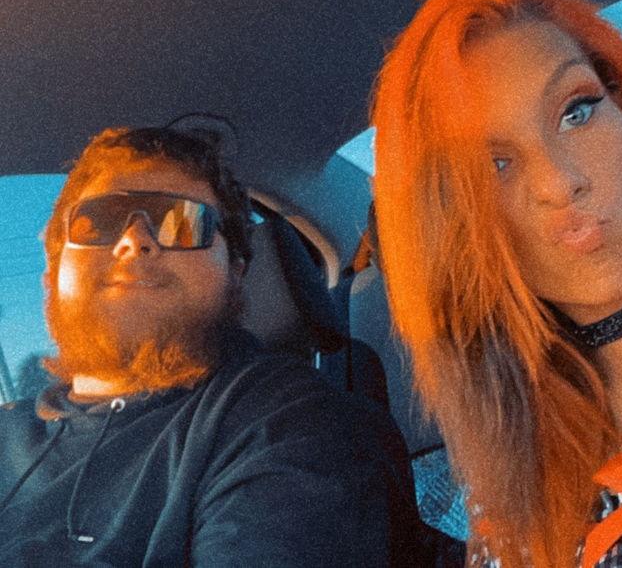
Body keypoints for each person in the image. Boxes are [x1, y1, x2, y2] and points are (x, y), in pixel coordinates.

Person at [370, 0, 622, 566]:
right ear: (454, 229)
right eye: (492, 166)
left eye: (576, 112)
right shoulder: (519, 513)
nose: (558, 182)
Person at [0, 119, 423, 566]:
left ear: (235, 271)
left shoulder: (290, 422)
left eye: (181, 223)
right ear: (53, 268)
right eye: (99, 221)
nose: (134, 241)